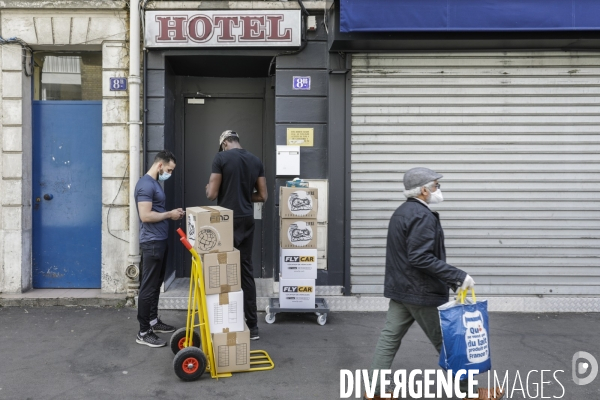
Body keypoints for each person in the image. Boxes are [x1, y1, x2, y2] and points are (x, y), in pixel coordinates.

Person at [365, 167, 504, 400]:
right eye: (436, 185)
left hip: (402, 289)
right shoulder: (421, 216)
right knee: (449, 344)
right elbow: (420, 257)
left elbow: (408, 256)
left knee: (388, 339)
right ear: (423, 190)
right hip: (421, 292)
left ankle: (376, 391)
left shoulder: (402, 212)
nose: (439, 190)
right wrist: (458, 276)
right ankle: (468, 393)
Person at [206, 130, 268, 341]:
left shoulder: (221, 158)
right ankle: (253, 326)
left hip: (226, 221)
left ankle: (226, 322)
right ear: (237, 141)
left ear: (224, 143)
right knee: (245, 271)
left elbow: (212, 194)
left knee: (223, 271)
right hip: (247, 219)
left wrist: (212, 188)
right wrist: (243, 195)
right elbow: (262, 195)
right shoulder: (255, 160)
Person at [134, 150, 184, 348]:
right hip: (152, 242)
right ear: (160, 165)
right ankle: (143, 331)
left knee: (156, 285)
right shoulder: (146, 184)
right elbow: (145, 216)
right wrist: (169, 214)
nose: (169, 174)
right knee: (148, 287)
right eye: (169, 170)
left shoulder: (155, 184)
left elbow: (157, 211)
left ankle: (153, 321)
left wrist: (171, 214)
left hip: (160, 240)